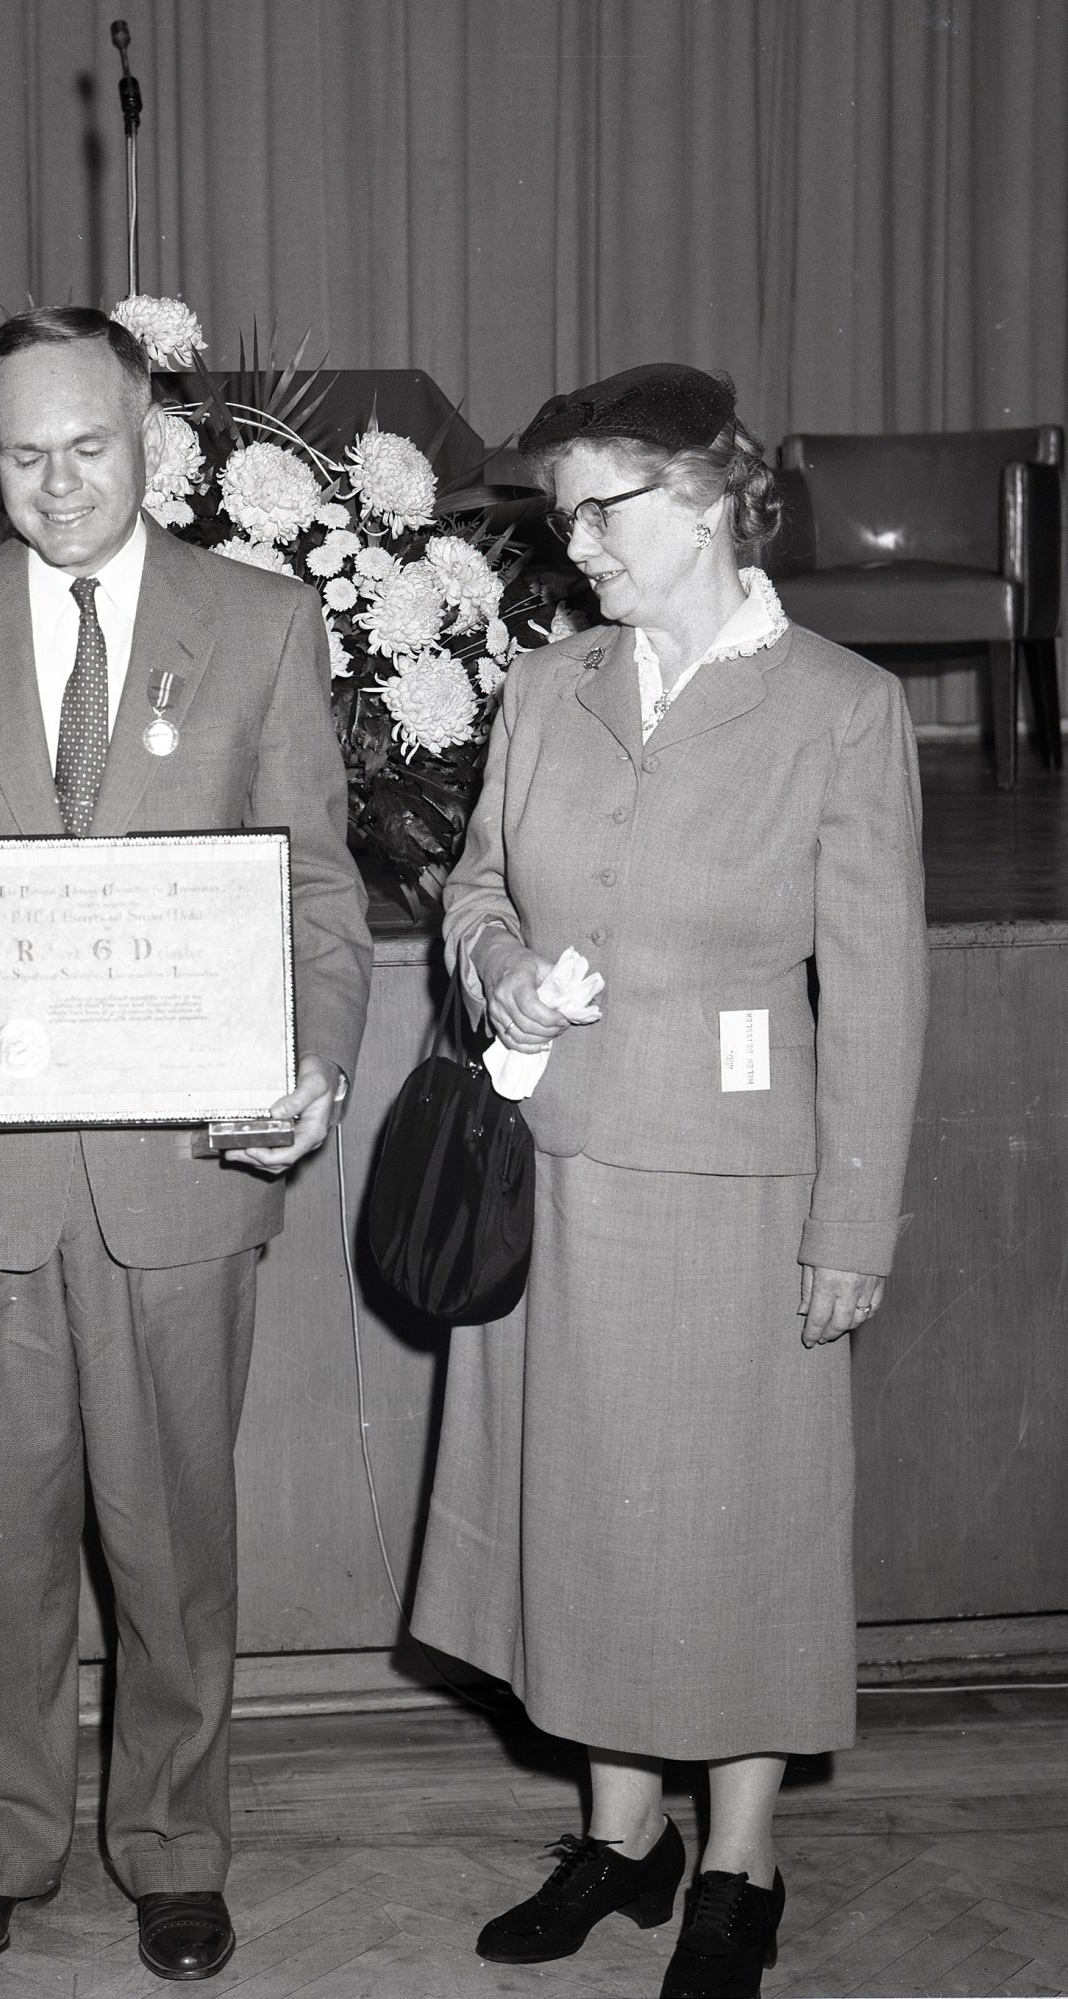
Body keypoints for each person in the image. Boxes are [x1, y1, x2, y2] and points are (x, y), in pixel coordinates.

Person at [0, 306, 372, 1981]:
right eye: (21, 452)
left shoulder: (261, 622)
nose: (56, 485)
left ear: (151, 440)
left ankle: (176, 1843)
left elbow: (318, 894)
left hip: (184, 1165)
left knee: (172, 1539)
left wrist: (318, 1059)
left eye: (89, 447)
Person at [411, 364, 929, 1999]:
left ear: (707, 496)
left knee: (734, 1529)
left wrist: (850, 1220)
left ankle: (740, 1857)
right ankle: (617, 1833)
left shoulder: (837, 707)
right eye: (560, 511)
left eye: (600, 507)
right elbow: (474, 882)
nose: (571, 545)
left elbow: (880, 989)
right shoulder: (548, 682)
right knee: (586, 1521)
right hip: (554, 1166)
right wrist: (492, 968)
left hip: (733, 1186)